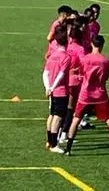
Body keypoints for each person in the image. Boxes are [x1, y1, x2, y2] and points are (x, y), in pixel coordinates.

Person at [63, 35, 109, 157]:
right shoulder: (106, 61)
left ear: (91, 44)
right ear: (102, 45)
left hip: (85, 93)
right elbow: (106, 77)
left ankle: (68, 149)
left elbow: (81, 72)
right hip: (100, 94)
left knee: (76, 119)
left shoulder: (85, 59)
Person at [43, 25, 72, 153]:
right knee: (58, 117)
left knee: (51, 114)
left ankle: (49, 141)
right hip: (60, 90)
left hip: (52, 90)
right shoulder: (66, 57)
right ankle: (54, 144)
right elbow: (61, 74)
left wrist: (48, 87)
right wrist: (53, 87)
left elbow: (45, 73)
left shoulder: (52, 56)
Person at [59, 18, 86, 145]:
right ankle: (64, 133)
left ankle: (59, 132)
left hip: (63, 79)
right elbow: (84, 63)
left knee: (63, 107)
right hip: (74, 81)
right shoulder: (80, 49)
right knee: (71, 108)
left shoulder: (67, 47)